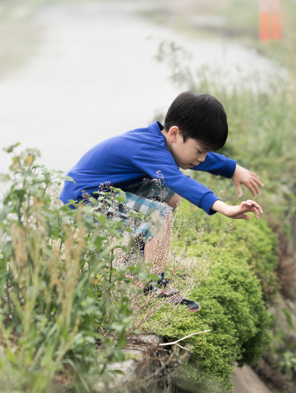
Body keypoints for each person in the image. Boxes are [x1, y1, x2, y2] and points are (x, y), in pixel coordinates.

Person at [60, 91, 264, 312]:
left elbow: (193, 160)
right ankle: (154, 287)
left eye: (206, 152)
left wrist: (232, 168)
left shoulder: (161, 140)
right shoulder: (148, 148)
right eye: (200, 151)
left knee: (169, 195)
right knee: (159, 213)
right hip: (84, 201)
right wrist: (223, 207)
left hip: (106, 192)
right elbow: (179, 180)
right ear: (175, 134)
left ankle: (135, 264)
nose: (202, 158)